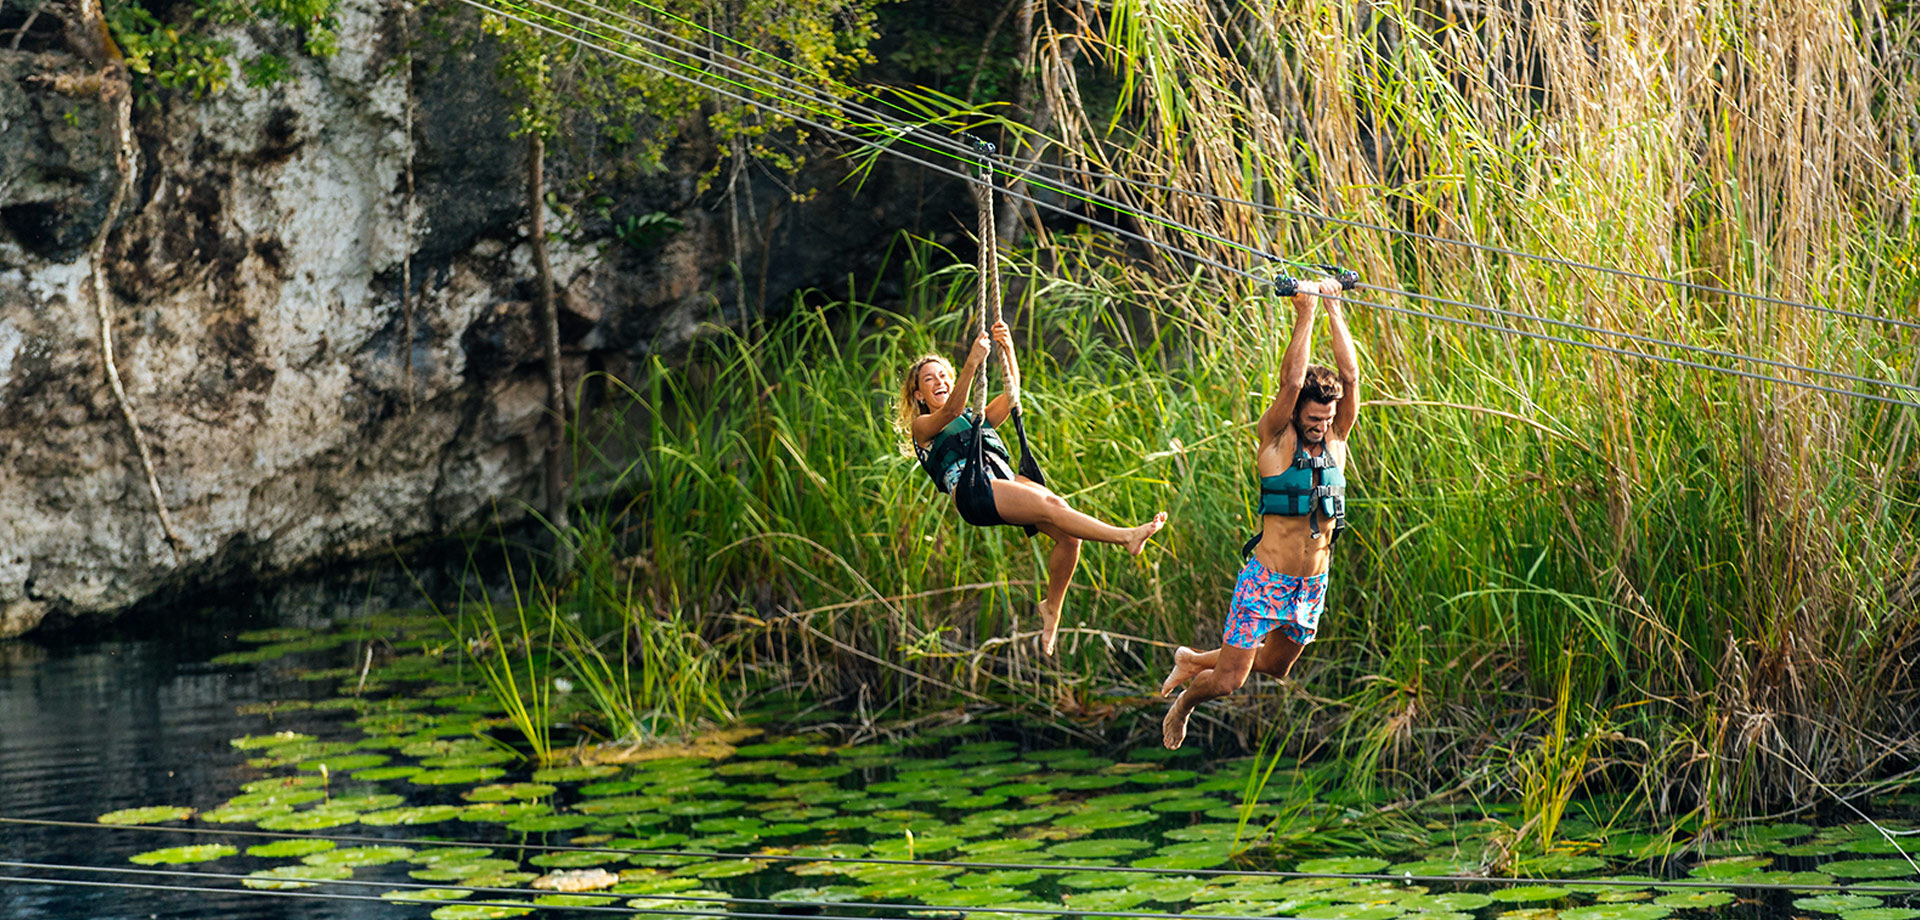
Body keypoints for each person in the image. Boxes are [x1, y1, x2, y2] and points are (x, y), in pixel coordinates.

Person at [1160, 278, 1357, 749]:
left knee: (1274, 666)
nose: (1321, 425)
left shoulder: (1336, 439)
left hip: (1312, 584)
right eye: (1312, 418)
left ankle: (1192, 660)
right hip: (1266, 579)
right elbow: (1292, 382)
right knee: (1230, 681)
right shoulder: (1276, 440)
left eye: (1326, 418)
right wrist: (1305, 309)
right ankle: (1186, 699)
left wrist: (1333, 306)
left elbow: (1350, 380)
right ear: (1294, 415)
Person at [900, 319, 1167, 655]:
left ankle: (1051, 608)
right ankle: (1126, 536)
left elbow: (1012, 394)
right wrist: (972, 362)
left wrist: (1007, 348)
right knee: (1053, 508)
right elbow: (952, 407)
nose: (939, 381)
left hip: (1003, 482)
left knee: (1069, 536)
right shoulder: (923, 427)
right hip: (975, 492)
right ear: (918, 395)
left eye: (944, 376)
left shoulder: (974, 416)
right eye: (930, 380)